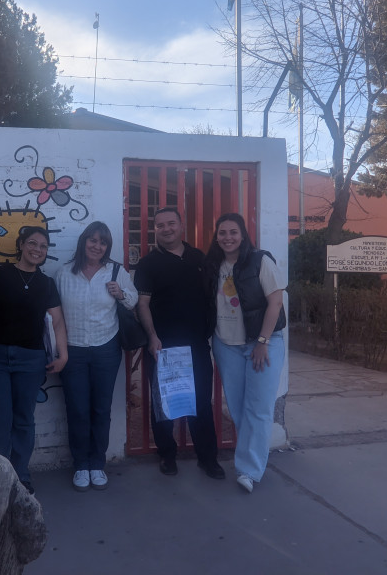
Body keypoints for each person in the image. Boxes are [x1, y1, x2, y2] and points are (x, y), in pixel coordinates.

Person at [134, 207, 223, 479]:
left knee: (201, 403)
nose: (166, 229)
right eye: (160, 225)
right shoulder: (148, 264)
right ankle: (167, 455)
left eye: (171, 223)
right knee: (164, 406)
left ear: (181, 225)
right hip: (162, 347)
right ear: (155, 230)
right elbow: (143, 304)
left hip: (196, 345)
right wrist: (152, 338)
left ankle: (208, 458)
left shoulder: (199, 258)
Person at [0, 226, 68, 494]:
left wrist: (63, 355)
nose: (37, 250)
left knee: (23, 419)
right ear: (20, 244)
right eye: (32, 243)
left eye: (43, 246)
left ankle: (20, 475)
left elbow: (57, 322)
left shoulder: (47, 284)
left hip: (31, 359)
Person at [204, 212, 287, 494]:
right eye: (222, 232)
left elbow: (275, 303)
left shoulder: (259, 260)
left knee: (260, 408)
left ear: (243, 234)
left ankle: (249, 470)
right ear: (216, 236)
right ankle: (248, 461)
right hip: (226, 344)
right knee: (239, 408)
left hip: (261, 343)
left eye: (233, 232)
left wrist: (262, 341)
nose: (227, 237)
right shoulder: (213, 264)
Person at [55, 221, 138, 492]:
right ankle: (81, 464)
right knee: (77, 409)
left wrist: (120, 292)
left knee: (101, 409)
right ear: (83, 242)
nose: (96, 246)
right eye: (92, 240)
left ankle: (96, 464)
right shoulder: (64, 273)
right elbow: (54, 315)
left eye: (102, 242)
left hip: (106, 349)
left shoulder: (116, 271)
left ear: (107, 247)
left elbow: (133, 300)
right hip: (74, 350)